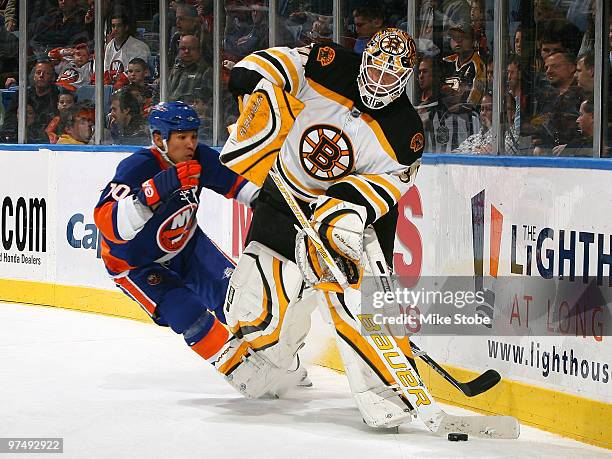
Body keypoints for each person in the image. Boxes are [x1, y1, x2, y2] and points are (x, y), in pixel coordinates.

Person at [217, 28, 425, 429]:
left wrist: (344, 209)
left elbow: (391, 183)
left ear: (406, 78)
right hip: (286, 195)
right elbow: (283, 65)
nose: (380, 81)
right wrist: (252, 74)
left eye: (391, 75)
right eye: (376, 68)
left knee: (365, 305)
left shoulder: (406, 131)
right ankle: (274, 362)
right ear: (365, 58)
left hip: (354, 217)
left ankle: (388, 389)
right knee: (258, 296)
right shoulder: (329, 63)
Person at [93, 101, 260, 370]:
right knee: (187, 313)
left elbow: (240, 186)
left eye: (193, 136)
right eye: (181, 137)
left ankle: (273, 356)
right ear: (159, 138)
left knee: (237, 300)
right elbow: (106, 221)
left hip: (188, 247)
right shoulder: (138, 166)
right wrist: (153, 192)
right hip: (135, 263)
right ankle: (242, 370)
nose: (190, 144)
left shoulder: (201, 158)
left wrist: (265, 200)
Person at [104, 10, 151, 79]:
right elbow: (106, 71)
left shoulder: (139, 47)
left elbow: (138, 74)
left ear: (126, 27)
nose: (115, 29)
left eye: (119, 26)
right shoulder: (109, 46)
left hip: (133, 88)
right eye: (113, 26)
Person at [169, 34, 212, 101]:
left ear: (199, 50)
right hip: (168, 109)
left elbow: (209, 100)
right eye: (183, 48)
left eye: (191, 48)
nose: (187, 51)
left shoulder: (207, 71)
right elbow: (159, 91)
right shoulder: (174, 69)